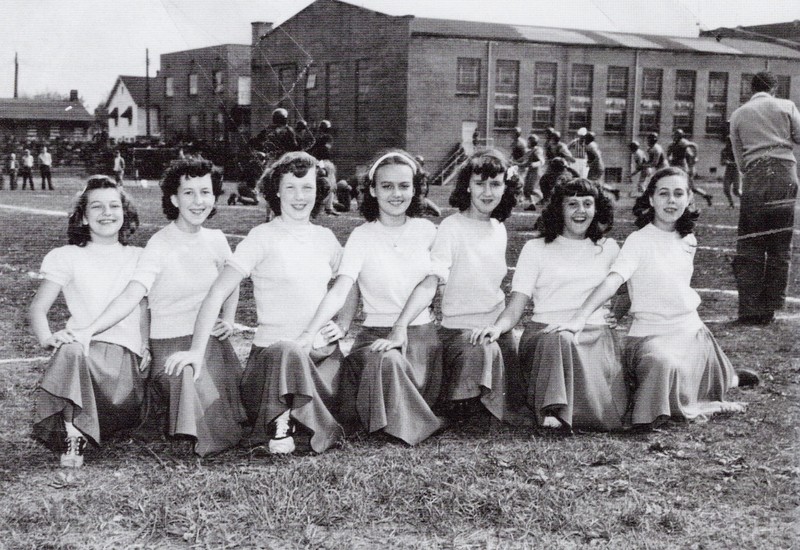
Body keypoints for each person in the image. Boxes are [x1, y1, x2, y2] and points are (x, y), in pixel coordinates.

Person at [166, 152, 355, 454]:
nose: (299, 196)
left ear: (318, 191)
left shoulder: (326, 238)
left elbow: (350, 281)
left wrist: (343, 323)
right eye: (290, 187)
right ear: (276, 191)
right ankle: (279, 422)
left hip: (321, 361)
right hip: (271, 365)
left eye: (307, 187)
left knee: (313, 364)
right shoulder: (262, 237)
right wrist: (196, 351)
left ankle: (303, 419)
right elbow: (216, 293)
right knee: (286, 349)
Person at [551, 167, 758, 428]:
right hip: (651, 335)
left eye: (678, 193)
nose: (671, 201)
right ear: (650, 199)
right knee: (662, 364)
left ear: (688, 198)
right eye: (663, 193)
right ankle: (714, 384)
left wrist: (620, 312)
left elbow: (665, 285)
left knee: (703, 375)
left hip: (690, 331)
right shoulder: (638, 241)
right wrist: (580, 317)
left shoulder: (688, 239)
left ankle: (730, 379)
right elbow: (615, 281)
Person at [76, 158, 245, 457]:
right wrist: (90, 329)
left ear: (215, 197)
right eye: (189, 193)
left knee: (227, 406)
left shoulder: (217, 240)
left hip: (209, 342)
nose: (198, 201)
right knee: (189, 380)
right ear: (173, 199)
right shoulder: (160, 243)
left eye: (205, 192)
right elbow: (133, 294)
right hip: (168, 342)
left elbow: (231, 284)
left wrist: (229, 319)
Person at [296, 150, 444, 445]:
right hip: (374, 336)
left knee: (390, 359)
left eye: (404, 186)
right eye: (387, 186)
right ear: (373, 190)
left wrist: (400, 327)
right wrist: (316, 330)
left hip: (420, 342)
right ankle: (401, 420)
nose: (396, 194)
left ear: (415, 189)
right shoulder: (362, 236)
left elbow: (430, 284)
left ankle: (415, 418)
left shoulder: (428, 231)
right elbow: (342, 288)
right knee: (382, 358)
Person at [473, 178, 626, 431]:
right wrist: (498, 328)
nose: (581, 211)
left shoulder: (608, 247)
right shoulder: (536, 248)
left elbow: (627, 289)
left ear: (597, 209)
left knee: (567, 338)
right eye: (572, 204)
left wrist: (618, 313)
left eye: (588, 204)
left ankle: (584, 412)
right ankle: (552, 409)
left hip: (594, 335)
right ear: (559, 209)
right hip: (545, 336)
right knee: (559, 338)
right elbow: (517, 304)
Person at [28, 176, 146, 467]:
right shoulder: (66, 256)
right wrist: (47, 338)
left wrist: (146, 346)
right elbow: (37, 309)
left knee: (76, 350)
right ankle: (73, 433)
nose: (106, 213)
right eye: (97, 207)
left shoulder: (140, 257)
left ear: (125, 212)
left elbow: (143, 306)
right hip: (82, 355)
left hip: (122, 366)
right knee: (69, 347)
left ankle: (88, 423)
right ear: (82, 215)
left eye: (113, 206)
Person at [401, 149, 521, 424]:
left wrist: (499, 326)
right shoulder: (451, 227)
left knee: (517, 400)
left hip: (497, 327)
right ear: (467, 184)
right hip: (460, 329)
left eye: (495, 184)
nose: (487, 192)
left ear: (506, 187)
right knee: (478, 356)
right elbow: (435, 277)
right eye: (480, 183)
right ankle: (464, 399)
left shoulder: (498, 228)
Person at [729, 71, 800, 325]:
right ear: (774, 88)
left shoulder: (738, 114)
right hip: (784, 174)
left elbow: (739, 157)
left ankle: (750, 308)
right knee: (780, 244)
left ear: (751, 88)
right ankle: (771, 306)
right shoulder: (786, 105)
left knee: (750, 243)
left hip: (756, 175)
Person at [668, 129, 712, 206]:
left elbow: (694, 146)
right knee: (690, 187)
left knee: (687, 187)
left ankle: (690, 202)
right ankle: (705, 196)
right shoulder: (674, 144)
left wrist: (695, 157)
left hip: (682, 167)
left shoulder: (683, 143)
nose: (674, 136)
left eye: (676, 135)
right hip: (676, 166)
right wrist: (669, 159)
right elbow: (669, 154)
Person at [584, 131, 619, 200]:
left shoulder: (590, 146)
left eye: (586, 137)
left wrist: (591, 164)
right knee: (594, 182)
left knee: (592, 182)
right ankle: (612, 191)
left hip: (596, 167)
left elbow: (597, 156)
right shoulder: (593, 144)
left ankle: (603, 195)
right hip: (597, 166)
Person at [719, 130, 741, 209]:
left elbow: (740, 161)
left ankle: (745, 202)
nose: (728, 143)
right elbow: (721, 162)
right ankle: (731, 204)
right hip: (728, 171)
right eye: (727, 142)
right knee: (726, 189)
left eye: (730, 142)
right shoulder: (724, 151)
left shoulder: (737, 150)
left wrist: (731, 162)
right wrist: (725, 162)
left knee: (736, 190)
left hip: (736, 171)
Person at [522, 134, 544, 210]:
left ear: (532, 142)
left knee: (531, 189)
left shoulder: (537, 150)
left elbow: (542, 161)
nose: (527, 143)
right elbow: (525, 163)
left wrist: (534, 164)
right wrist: (515, 164)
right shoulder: (530, 151)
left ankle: (544, 198)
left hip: (535, 172)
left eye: (529, 142)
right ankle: (532, 204)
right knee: (526, 190)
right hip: (530, 171)